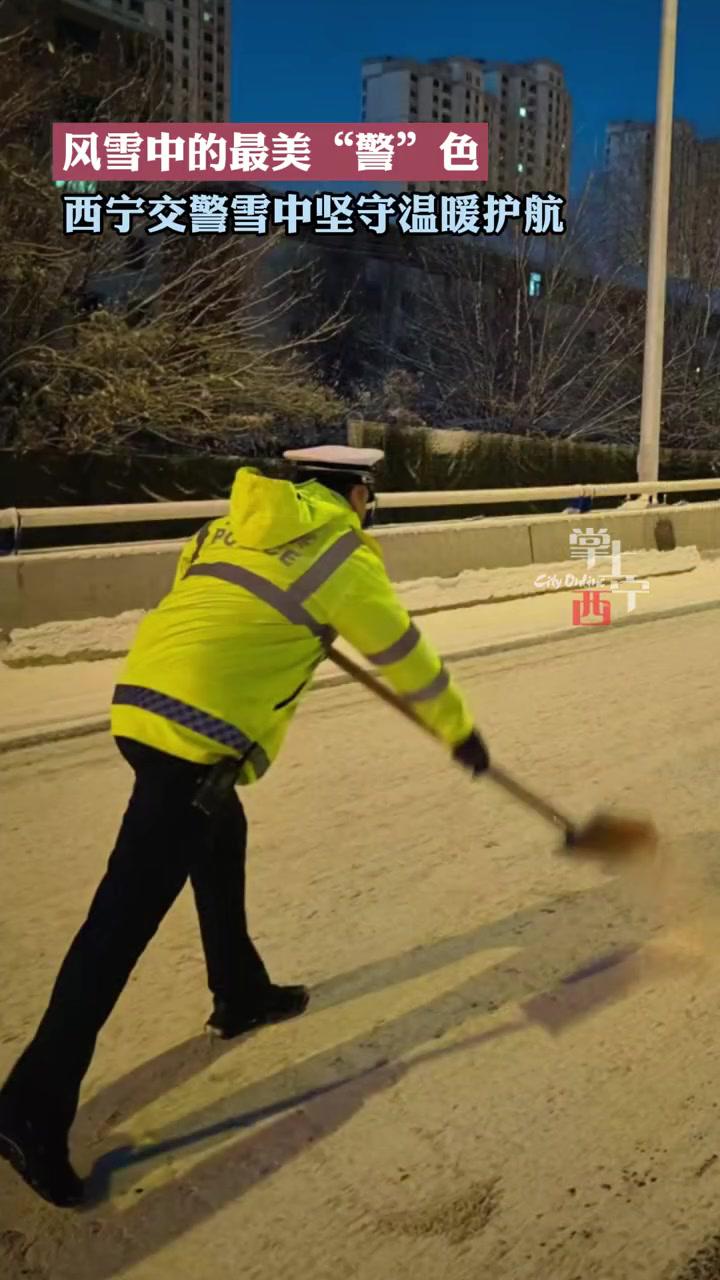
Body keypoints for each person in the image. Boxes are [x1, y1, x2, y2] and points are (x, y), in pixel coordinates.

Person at [0, 445, 490, 1209]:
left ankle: (240, 989)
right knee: (118, 922)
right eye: (370, 497)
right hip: (197, 739)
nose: (370, 509)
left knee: (220, 833)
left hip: (141, 707)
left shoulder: (224, 525)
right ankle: (32, 1103)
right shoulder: (341, 554)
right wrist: (460, 730)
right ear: (357, 493)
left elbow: (205, 608)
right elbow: (401, 653)